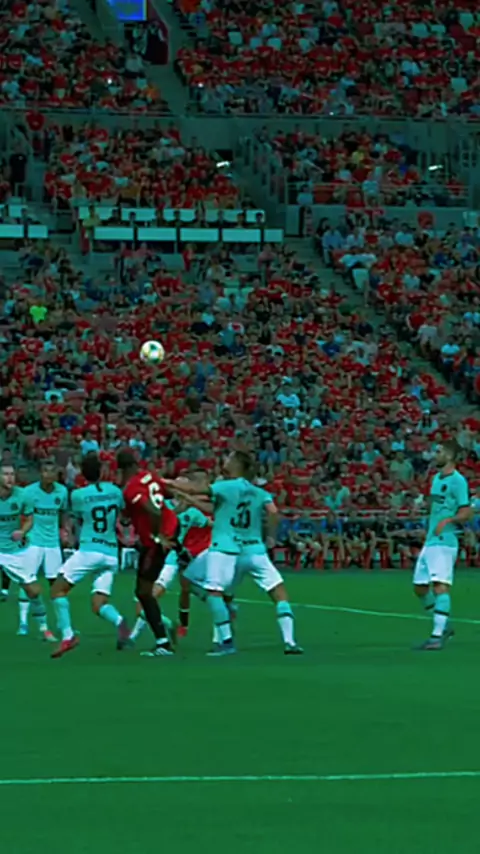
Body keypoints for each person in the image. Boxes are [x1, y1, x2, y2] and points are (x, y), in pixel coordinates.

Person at [50, 453, 129, 659]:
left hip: (90, 550)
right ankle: (120, 621)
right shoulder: (115, 491)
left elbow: (77, 519)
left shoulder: (78, 495)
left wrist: (68, 534)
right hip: (112, 554)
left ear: (82, 474)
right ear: (102, 472)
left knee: (57, 590)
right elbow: (124, 516)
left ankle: (68, 636)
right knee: (98, 604)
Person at [117, 448, 178, 657]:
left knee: (144, 591)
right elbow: (166, 494)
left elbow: (152, 509)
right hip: (168, 529)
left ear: (121, 469)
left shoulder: (131, 488)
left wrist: (158, 535)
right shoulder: (149, 476)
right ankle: (163, 638)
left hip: (157, 540)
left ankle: (163, 642)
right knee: (143, 590)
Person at [129, 490, 211, 645]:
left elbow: (210, 523)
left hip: (169, 562)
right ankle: (168, 624)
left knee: (149, 598)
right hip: (151, 558)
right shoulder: (162, 506)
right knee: (141, 603)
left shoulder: (193, 513)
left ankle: (133, 638)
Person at [413, 439, 472, 650]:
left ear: (449, 456)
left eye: (439, 452)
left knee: (440, 586)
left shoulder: (458, 481)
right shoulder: (436, 479)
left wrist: (448, 521)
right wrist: (423, 508)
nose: (435, 455)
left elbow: (466, 512)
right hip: (431, 540)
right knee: (420, 588)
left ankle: (436, 636)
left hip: (445, 541)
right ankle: (445, 625)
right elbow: (438, 505)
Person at [0, 463, 53, 640]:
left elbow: (30, 519)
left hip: (13, 551)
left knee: (33, 591)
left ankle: (44, 628)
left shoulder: (23, 495)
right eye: (5, 474)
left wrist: (22, 531)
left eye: (12, 474)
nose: (10, 478)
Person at [19, 460, 69, 636]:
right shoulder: (28, 492)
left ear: (56, 474)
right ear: (40, 473)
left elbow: (62, 513)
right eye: (45, 471)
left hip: (53, 543)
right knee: (28, 580)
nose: (49, 474)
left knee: (56, 584)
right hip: (33, 542)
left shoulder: (62, 491)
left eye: (52, 471)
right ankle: (23, 623)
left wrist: (66, 531)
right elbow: (21, 515)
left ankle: (62, 623)